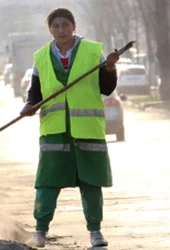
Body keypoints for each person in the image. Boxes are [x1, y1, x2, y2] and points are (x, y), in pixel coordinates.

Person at [20, 8, 119, 248]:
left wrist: (110, 67)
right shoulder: (41, 56)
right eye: (56, 26)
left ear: (74, 26)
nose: (61, 30)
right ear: (50, 29)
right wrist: (29, 105)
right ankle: (40, 232)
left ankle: (95, 233)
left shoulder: (93, 51)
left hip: (87, 130)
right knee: (47, 183)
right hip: (54, 131)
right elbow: (35, 91)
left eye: (65, 25)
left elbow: (106, 88)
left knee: (91, 183)